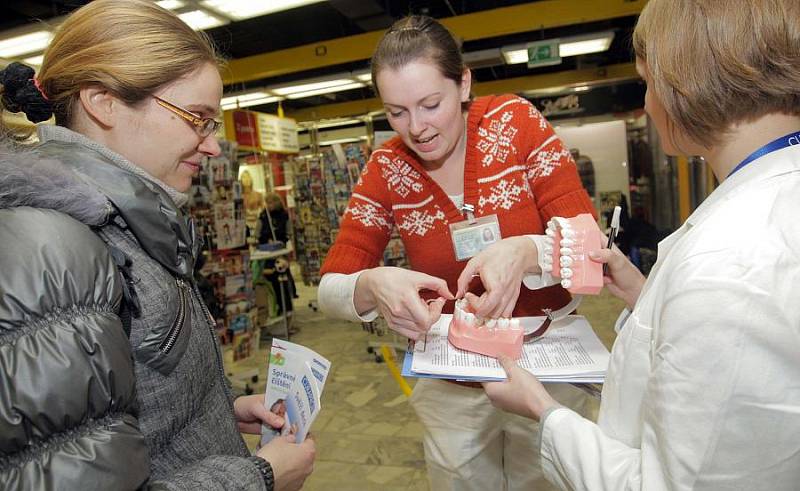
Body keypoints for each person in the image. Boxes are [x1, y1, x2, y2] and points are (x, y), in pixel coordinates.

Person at [482, 0, 800, 489]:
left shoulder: (727, 265)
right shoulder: (770, 199)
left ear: (686, 83)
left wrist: (541, 409)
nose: (649, 102)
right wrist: (646, 292)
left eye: (648, 81)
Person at [0, 1, 314, 489]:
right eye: (197, 117)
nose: (212, 144)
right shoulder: (56, 252)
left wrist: (219, 410)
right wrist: (259, 477)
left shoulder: (129, 224)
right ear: (102, 101)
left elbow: (129, 406)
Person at [317, 15, 595, 490]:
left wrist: (529, 251)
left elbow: (592, 250)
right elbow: (329, 288)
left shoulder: (516, 125)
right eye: (396, 112)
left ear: (463, 82)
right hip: (450, 383)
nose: (417, 128)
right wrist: (371, 284)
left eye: (430, 104)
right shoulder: (386, 169)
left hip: (547, 369)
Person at [259, 192, 298, 315]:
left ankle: (287, 306)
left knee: (283, 276)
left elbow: (288, 232)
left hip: (281, 251)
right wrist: (265, 240)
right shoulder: (264, 216)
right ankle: (279, 306)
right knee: (272, 278)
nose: (269, 205)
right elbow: (258, 232)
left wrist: (283, 241)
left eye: (271, 202)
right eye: (267, 203)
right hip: (268, 252)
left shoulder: (284, 215)